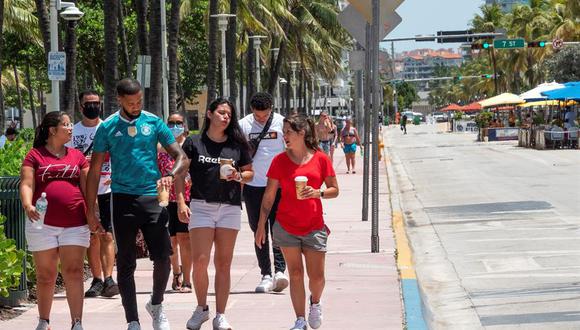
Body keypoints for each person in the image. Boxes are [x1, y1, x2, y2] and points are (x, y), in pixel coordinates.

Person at [86, 78, 188, 330]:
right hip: (122, 199)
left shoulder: (153, 122)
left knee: (164, 256)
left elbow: (181, 157)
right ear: (119, 99)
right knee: (126, 262)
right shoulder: (107, 127)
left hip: (152, 196)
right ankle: (132, 320)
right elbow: (95, 169)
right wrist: (90, 210)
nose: (136, 106)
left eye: (139, 101)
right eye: (131, 102)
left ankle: (156, 303)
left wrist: (170, 174)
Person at [255, 113, 339, 330]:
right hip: (286, 225)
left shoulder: (321, 159)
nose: (285, 136)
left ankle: (315, 302)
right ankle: (300, 319)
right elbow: (269, 195)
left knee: (317, 277)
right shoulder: (279, 161)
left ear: (302, 133)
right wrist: (261, 225)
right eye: (284, 132)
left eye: (288, 132)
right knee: (295, 273)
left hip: (313, 226)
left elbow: (334, 190)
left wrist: (317, 193)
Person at [176, 98, 254, 330]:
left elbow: (250, 173)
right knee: (200, 261)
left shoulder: (237, 144)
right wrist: (181, 202)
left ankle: (221, 314)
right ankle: (201, 309)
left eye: (229, 114)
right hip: (201, 205)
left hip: (229, 207)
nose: (225, 117)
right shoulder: (194, 142)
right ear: (209, 114)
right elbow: (180, 174)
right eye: (221, 112)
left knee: (223, 263)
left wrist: (238, 176)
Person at [19, 111, 90, 330]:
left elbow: (88, 188)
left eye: (70, 125)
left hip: (75, 224)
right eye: (66, 125)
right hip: (42, 224)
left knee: (74, 271)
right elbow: (26, 183)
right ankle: (44, 321)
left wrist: (93, 213)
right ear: (52, 130)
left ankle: (76, 322)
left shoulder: (77, 156)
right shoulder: (34, 155)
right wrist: (28, 204)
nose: (70, 128)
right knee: (45, 275)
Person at [66, 90, 119, 299]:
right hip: (83, 191)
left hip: (107, 188)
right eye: (89, 103)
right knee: (92, 237)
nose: (93, 106)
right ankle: (96, 279)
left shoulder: (108, 128)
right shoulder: (73, 132)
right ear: (81, 107)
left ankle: (109, 279)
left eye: (96, 103)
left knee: (107, 234)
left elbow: (119, 155)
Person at [238, 92, 288, 293]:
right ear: (252, 110)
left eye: (265, 115)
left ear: (271, 109)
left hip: (278, 186)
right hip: (253, 187)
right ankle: (265, 274)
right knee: (258, 231)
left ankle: (279, 271)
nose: (261, 119)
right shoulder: (243, 125)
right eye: (257, 116)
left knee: (278, 229)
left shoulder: (282, 123)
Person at [157, 112, 193, 293]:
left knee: (185, 239)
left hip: (187, 198)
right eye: (171, 123)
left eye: (178, 122)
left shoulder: (190, 145)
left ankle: (187, 279)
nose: (175, 126)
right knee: (171, 240)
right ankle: (176, 272)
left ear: (184, 125)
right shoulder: (160, 146)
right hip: (165, 199)